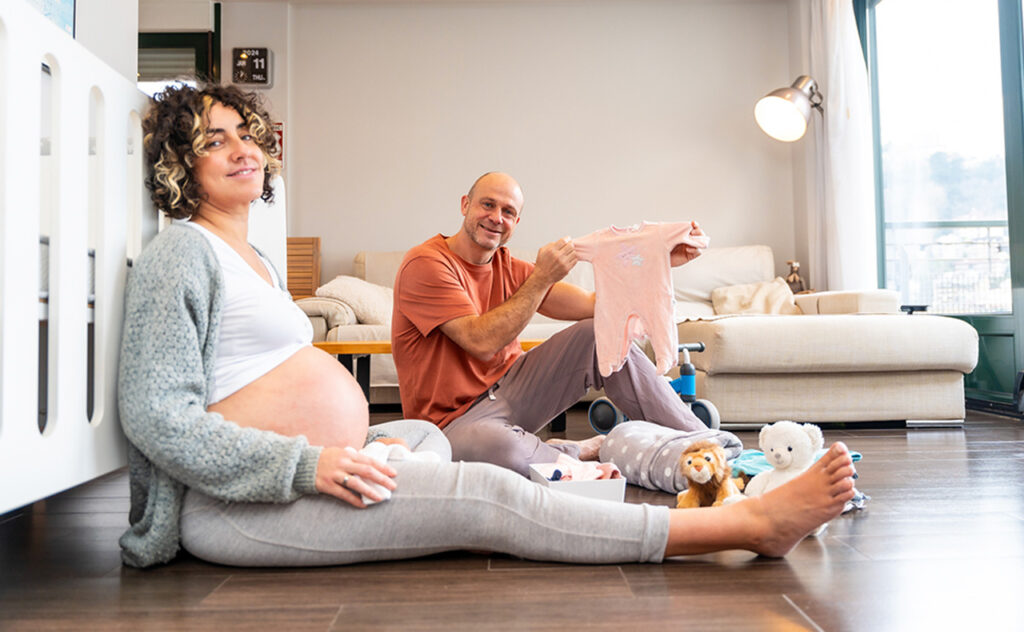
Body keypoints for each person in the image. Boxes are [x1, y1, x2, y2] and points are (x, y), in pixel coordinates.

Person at [117, 82, 857, 570]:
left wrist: (661, 258)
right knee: (493, 493)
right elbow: (156, 415)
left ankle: (709, 452)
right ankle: (740, 526)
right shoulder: (184, 253)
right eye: (214, 140)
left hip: (333, 461)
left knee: (603, 348)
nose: (241, 148)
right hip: (250, 500)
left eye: (244, 133)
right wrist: (308, 465)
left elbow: (604, 310)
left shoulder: (251, 260)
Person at [392, 172, 711, 477]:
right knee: (503, 450)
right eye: (487, 204)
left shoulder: (509, 267)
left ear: (516, 223)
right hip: (452, 423)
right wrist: (542, 277)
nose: (496, 217)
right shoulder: (426, 264)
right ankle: (571, 452)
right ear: (465, 204)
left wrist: (658, 260)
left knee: (595, 336)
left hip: (513, 391)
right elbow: (480, 341)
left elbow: (594, 305)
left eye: (508, 211)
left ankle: (705, 445)